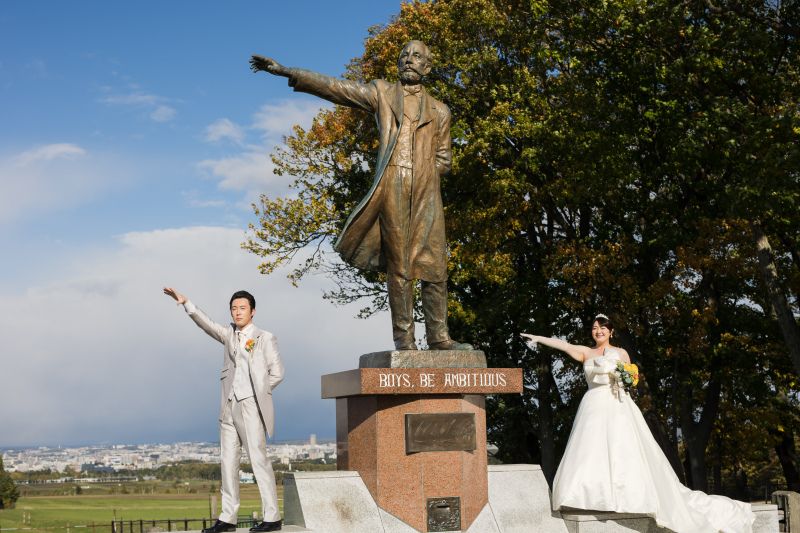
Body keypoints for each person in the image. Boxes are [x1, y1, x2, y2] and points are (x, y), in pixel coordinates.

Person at [249, 41, 472, 352]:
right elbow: (338, 88)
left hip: (426, 192)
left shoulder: (441, 111)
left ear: (427, 67)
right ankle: (405, 341)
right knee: (400, 265)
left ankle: (439, 338)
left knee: (435, 265)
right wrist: (289, 72)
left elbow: (445, 159)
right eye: (404, 55)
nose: (409, 60)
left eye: (416, 56)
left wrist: (424, 172)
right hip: (392, 185)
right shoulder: (382, 93)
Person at [521, 315, 755, 533]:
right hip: (592, 404)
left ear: (610, 331)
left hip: (617, 405)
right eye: (594, 328)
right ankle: (590, 497)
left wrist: (621, 379)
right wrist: (540, 339)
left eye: (602, 327)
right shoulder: (585, 353)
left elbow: (632, 378)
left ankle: (628, 496)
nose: (598, 331)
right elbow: (564, 345)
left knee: (622, 450)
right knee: (589, 450)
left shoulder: (621, 352)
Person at [163, 287, 284, 533]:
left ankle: (272, 517)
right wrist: (187, 303)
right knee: (227, 463)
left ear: (253, 311)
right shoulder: (228, 333)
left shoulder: (265, 337)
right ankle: (228, 519)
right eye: (233, 308)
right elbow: (207, 325)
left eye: (242, 308)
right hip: (227, 406)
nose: (237, 312)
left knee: (258, 461)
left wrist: (256, 393)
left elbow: (278, 373)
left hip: (251, 405)